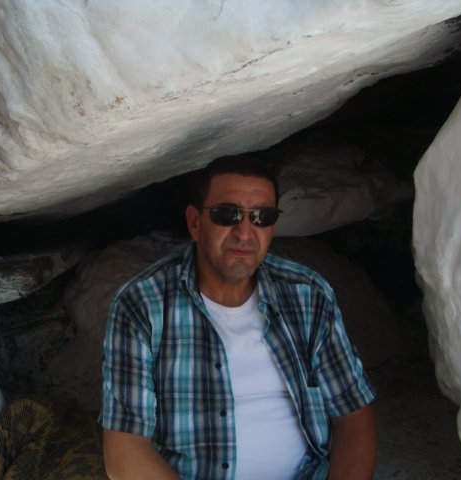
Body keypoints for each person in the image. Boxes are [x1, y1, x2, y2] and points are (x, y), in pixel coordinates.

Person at [101, 155, 377, 479]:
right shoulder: (142, 306)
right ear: (194, 223)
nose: (245, 232)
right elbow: (125, 451)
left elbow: (353, 415)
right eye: (227, 214)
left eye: (262, 217)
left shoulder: (307, 295)